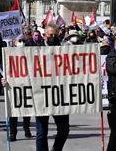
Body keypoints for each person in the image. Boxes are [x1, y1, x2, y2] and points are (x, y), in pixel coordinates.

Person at [35, 22, 70, 151]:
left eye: (55, 35)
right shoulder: (34, 49)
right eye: (50, 35)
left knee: (64, 129)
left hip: (59, 96)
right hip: (41, 95)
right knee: (41, 132)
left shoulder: (65, 49)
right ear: (44, 36)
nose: (53, 38)